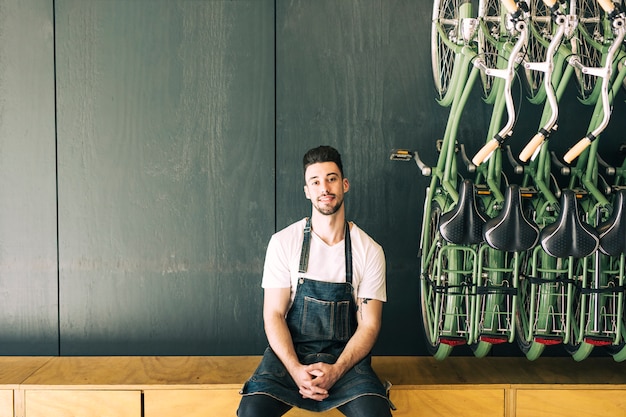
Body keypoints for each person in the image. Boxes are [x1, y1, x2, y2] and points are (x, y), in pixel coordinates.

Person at [237, 145, 392, 416]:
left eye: (332, 179)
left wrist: (336, 371)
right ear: (307, 191)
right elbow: (273, 314)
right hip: (290, 360)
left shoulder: (369, 250)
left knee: (375, 413)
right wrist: (296, 370)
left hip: (346, 363)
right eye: (316, 181)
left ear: (344, 184)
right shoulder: (283, 243)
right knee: (251, 411)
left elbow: (369, 325)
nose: (325, 188)